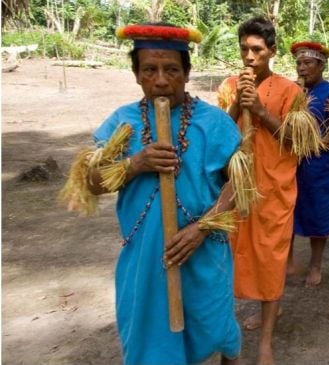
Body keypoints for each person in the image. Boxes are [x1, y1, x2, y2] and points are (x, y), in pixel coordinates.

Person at [62, 23, 242, 365]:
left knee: (217, 330)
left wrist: (201, 229)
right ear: (136, 74)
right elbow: (91, 183)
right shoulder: (122, 122)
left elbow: (241, 183)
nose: (161, 80)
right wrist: (135, 164)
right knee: (151, 343)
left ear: (187, 74)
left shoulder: (214, 122)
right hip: (145, 256)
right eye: (150, 70)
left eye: (172, 69)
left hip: (202, 251)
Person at [217, 17, 302, 365]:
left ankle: (266, 342)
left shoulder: (291, 92)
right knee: (230, 259)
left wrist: (262, 111)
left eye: (257, 49)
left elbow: (298, 141)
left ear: (271, 51)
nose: (249, 56)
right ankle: (229, 334)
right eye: (244, 49)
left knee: (271, 260)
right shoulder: (228, 86)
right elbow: (218, 136)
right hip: (236, 189)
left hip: (274, 189)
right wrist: (239, 103)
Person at [287, 41, 329, 287]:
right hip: (290, 165)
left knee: (319, 215)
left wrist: (311, 144)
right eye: (299, 63)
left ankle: (315, 265)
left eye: (308, 63)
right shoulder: (290, 90)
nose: (302, 68)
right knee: (286, 213)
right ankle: (287, 261)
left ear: (321, 65)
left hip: (319, 168)